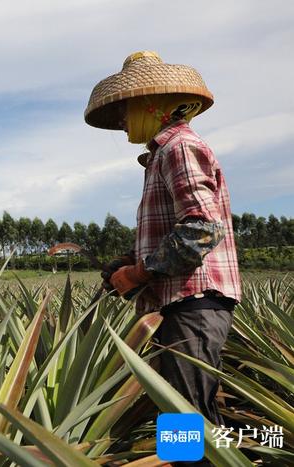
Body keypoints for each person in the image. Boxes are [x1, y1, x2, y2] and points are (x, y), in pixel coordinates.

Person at [84, 51, 241, 426]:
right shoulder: (162, 153)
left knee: (184, 416)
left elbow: (201, 228)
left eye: (127, 108)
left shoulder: (179, 148)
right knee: (186, 414)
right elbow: (181, 226)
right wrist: (127, 261)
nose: (122, 119)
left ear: (154, 104)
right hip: (184, 304)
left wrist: (139, 274)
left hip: (194, 302)